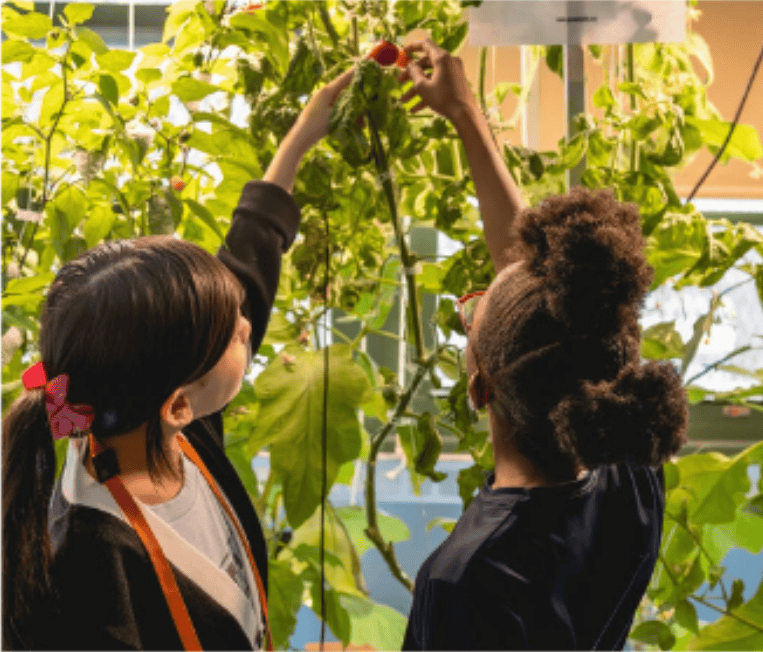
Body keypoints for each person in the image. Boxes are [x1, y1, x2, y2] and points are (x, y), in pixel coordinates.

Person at [1, 65, 357, 650]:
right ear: (177, 404)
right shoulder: (87, 567)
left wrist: (301, 137)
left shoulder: (159, 429)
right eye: (235, 332)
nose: (249, 323)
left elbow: (247, 262)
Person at [396, 38, 689, 650]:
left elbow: (549, 313)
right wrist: (465, 116)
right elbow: (553, 309)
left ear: (479, 387)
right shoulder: (628, 473)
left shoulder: (466, 579)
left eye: (470, 315)